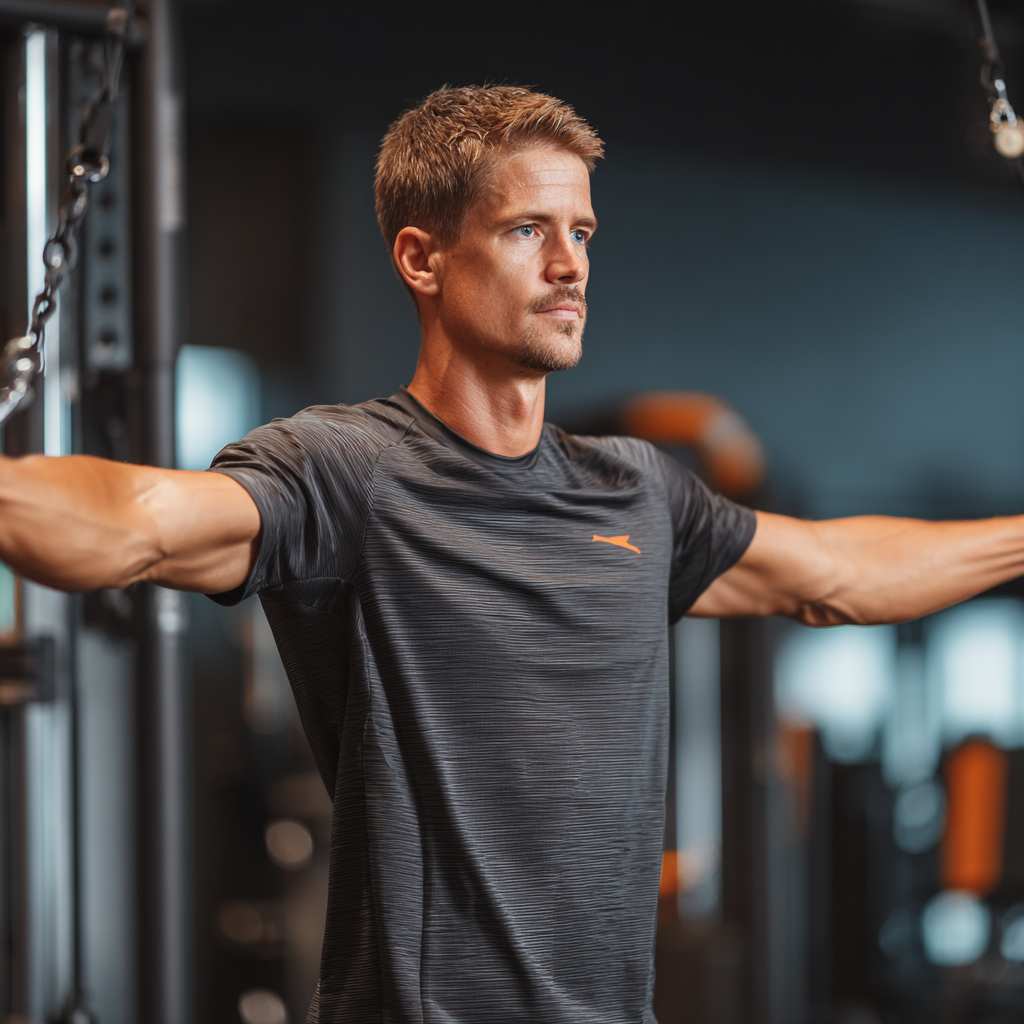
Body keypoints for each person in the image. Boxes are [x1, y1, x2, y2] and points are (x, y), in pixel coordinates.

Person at [2, 84, 1023, 1023]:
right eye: (528, 230)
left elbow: (839, 574)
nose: (571, 264)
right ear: (422, 259)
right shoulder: (350, 471)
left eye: (582, 232)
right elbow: (136, 521)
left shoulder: (638, 489)